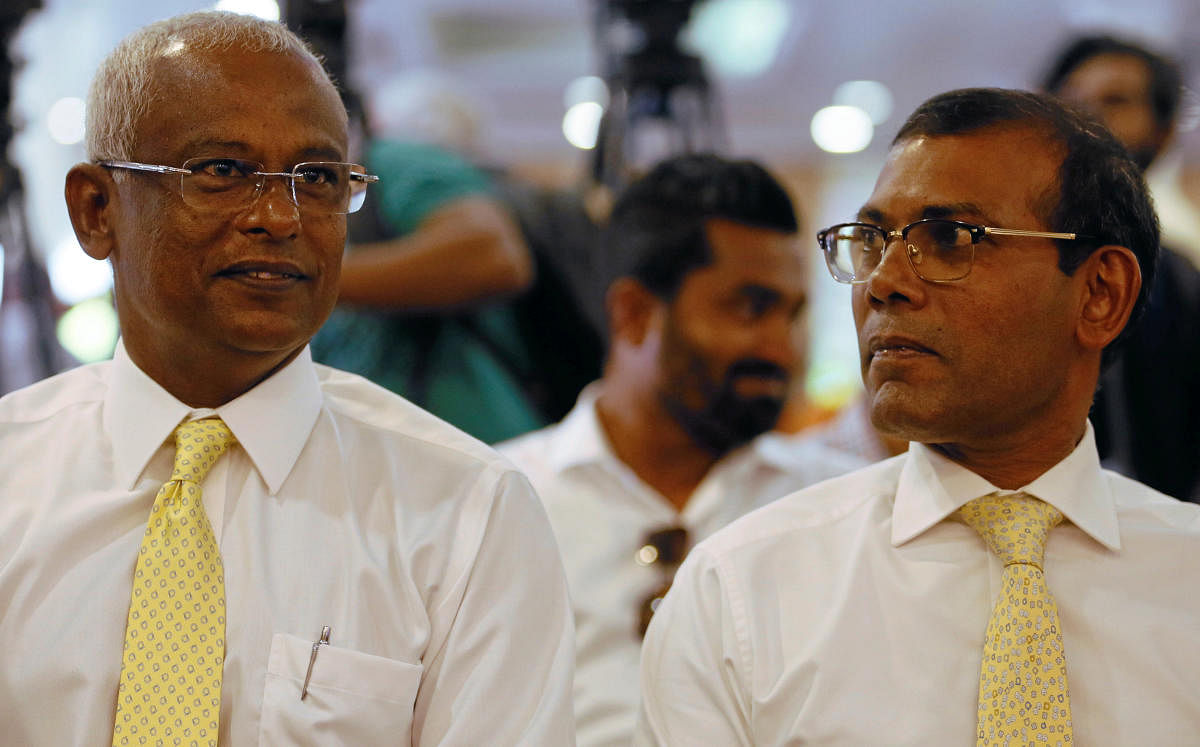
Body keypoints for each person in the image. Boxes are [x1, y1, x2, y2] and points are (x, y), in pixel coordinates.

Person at [0, 12, 574, 745]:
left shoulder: (463, 511)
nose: (279, 215)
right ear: (96, 209)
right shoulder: (11, 476)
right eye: (222, 171)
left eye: (319, 178)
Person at [634, 89, 1200, 745]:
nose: (884, 281)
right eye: (872, 240)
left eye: (948, 238)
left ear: (1101, 293)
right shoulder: (741, 593)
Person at [498, 153, 861, 747]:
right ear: (634, 314)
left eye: (792, 315)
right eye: (751, 307)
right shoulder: (499, 498)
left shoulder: (838, 505)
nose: (782, 350)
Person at [310, 70, 604, 443]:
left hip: (461, 453)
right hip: (435, 456)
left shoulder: (399, 158)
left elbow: (492, 256)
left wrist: (306, 278)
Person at [1042, 33, 1200, 502]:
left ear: (1164, 129)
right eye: (1070, 101)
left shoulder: (1183, 284)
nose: (1087, 115)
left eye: (1115, 100)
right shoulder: (1006, 257)